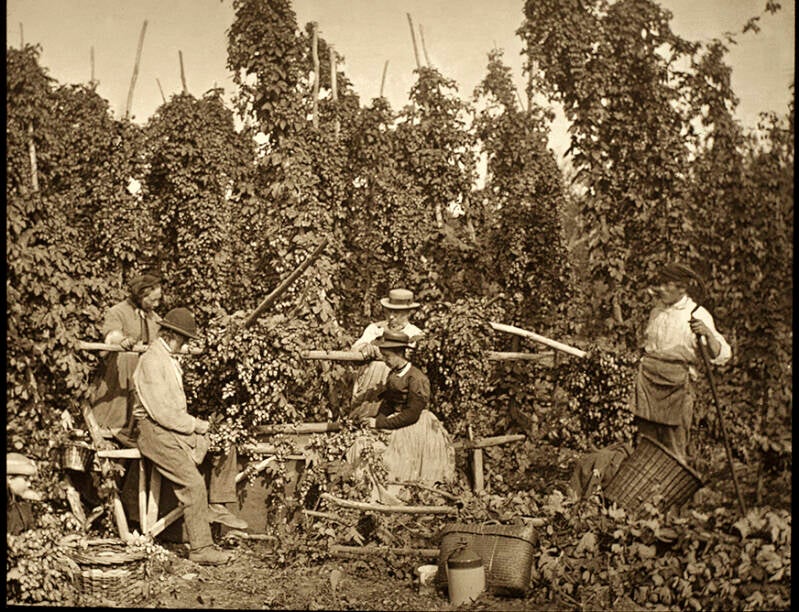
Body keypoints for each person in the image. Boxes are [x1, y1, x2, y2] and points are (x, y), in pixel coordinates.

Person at [133, 307, 246, 566]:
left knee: (222, 444)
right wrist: (198, 426)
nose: (185, 346)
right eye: (184, 340)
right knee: (192, 484)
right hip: (153, 431)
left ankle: (217, 504)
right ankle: (201, 549)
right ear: (171, 335)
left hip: (169, 427)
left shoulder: (168, 358)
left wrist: (203, 430)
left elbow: (173, 412)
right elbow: (162, 413)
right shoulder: (152, 361)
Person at [630, 263, 731, 462]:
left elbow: (722, 354)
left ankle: (675, 491)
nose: (661, 289)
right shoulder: (656, 313)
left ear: (682, 288)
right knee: (644, 445)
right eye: (660, 284)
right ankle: (645, 491)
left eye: (667, 285)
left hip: (676, 389)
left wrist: (707, 334)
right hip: (649, 385)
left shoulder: (696, 315)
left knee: (673, 448)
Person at [350, 330, 456, 489]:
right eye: (383, 356)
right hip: (396, 420)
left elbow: (411, 415)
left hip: (416, 426)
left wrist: (380, 424)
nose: (385, 361)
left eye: (388, 356)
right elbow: (388, 403)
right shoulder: (394, 373)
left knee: (396, 462)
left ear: (400, 353)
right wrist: (378, 420)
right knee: (363, 444)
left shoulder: (417, 378)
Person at [92, 273, 163, 448]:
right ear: (142, 295)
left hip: (145, 380)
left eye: (158, 300)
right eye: (153, 300)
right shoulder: (118, 311)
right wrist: (122, 340)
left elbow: (165, 339)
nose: (157, 304)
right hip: (122, 377)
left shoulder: (154, 318)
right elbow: (112, 335)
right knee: (117, 415)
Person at [349, 288, 424, 420]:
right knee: (362, 416)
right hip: (371, 385)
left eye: (397, 313)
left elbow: (408, 358)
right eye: (389, 311)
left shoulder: (415, 334)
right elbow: (354, 351)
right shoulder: (375, 329)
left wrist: (378, 351)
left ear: (408, 313)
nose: (391, 317)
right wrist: (366, 347)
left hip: (398, 387)